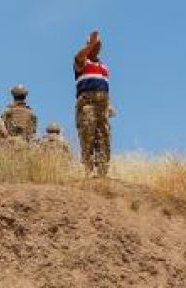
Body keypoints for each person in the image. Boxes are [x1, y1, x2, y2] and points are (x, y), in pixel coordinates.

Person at [74, 29, 112, 177]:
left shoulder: (104, 67)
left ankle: (102, 173)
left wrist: (110, 105)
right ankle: (88, 172)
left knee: (104, 138)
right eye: (94, 45)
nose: (97, 47)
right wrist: (90, 44)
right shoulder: (83, 61)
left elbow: (105, 87)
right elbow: (79, 56)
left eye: (98, 45)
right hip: (87, 105)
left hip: (102, 108)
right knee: (87, 137)